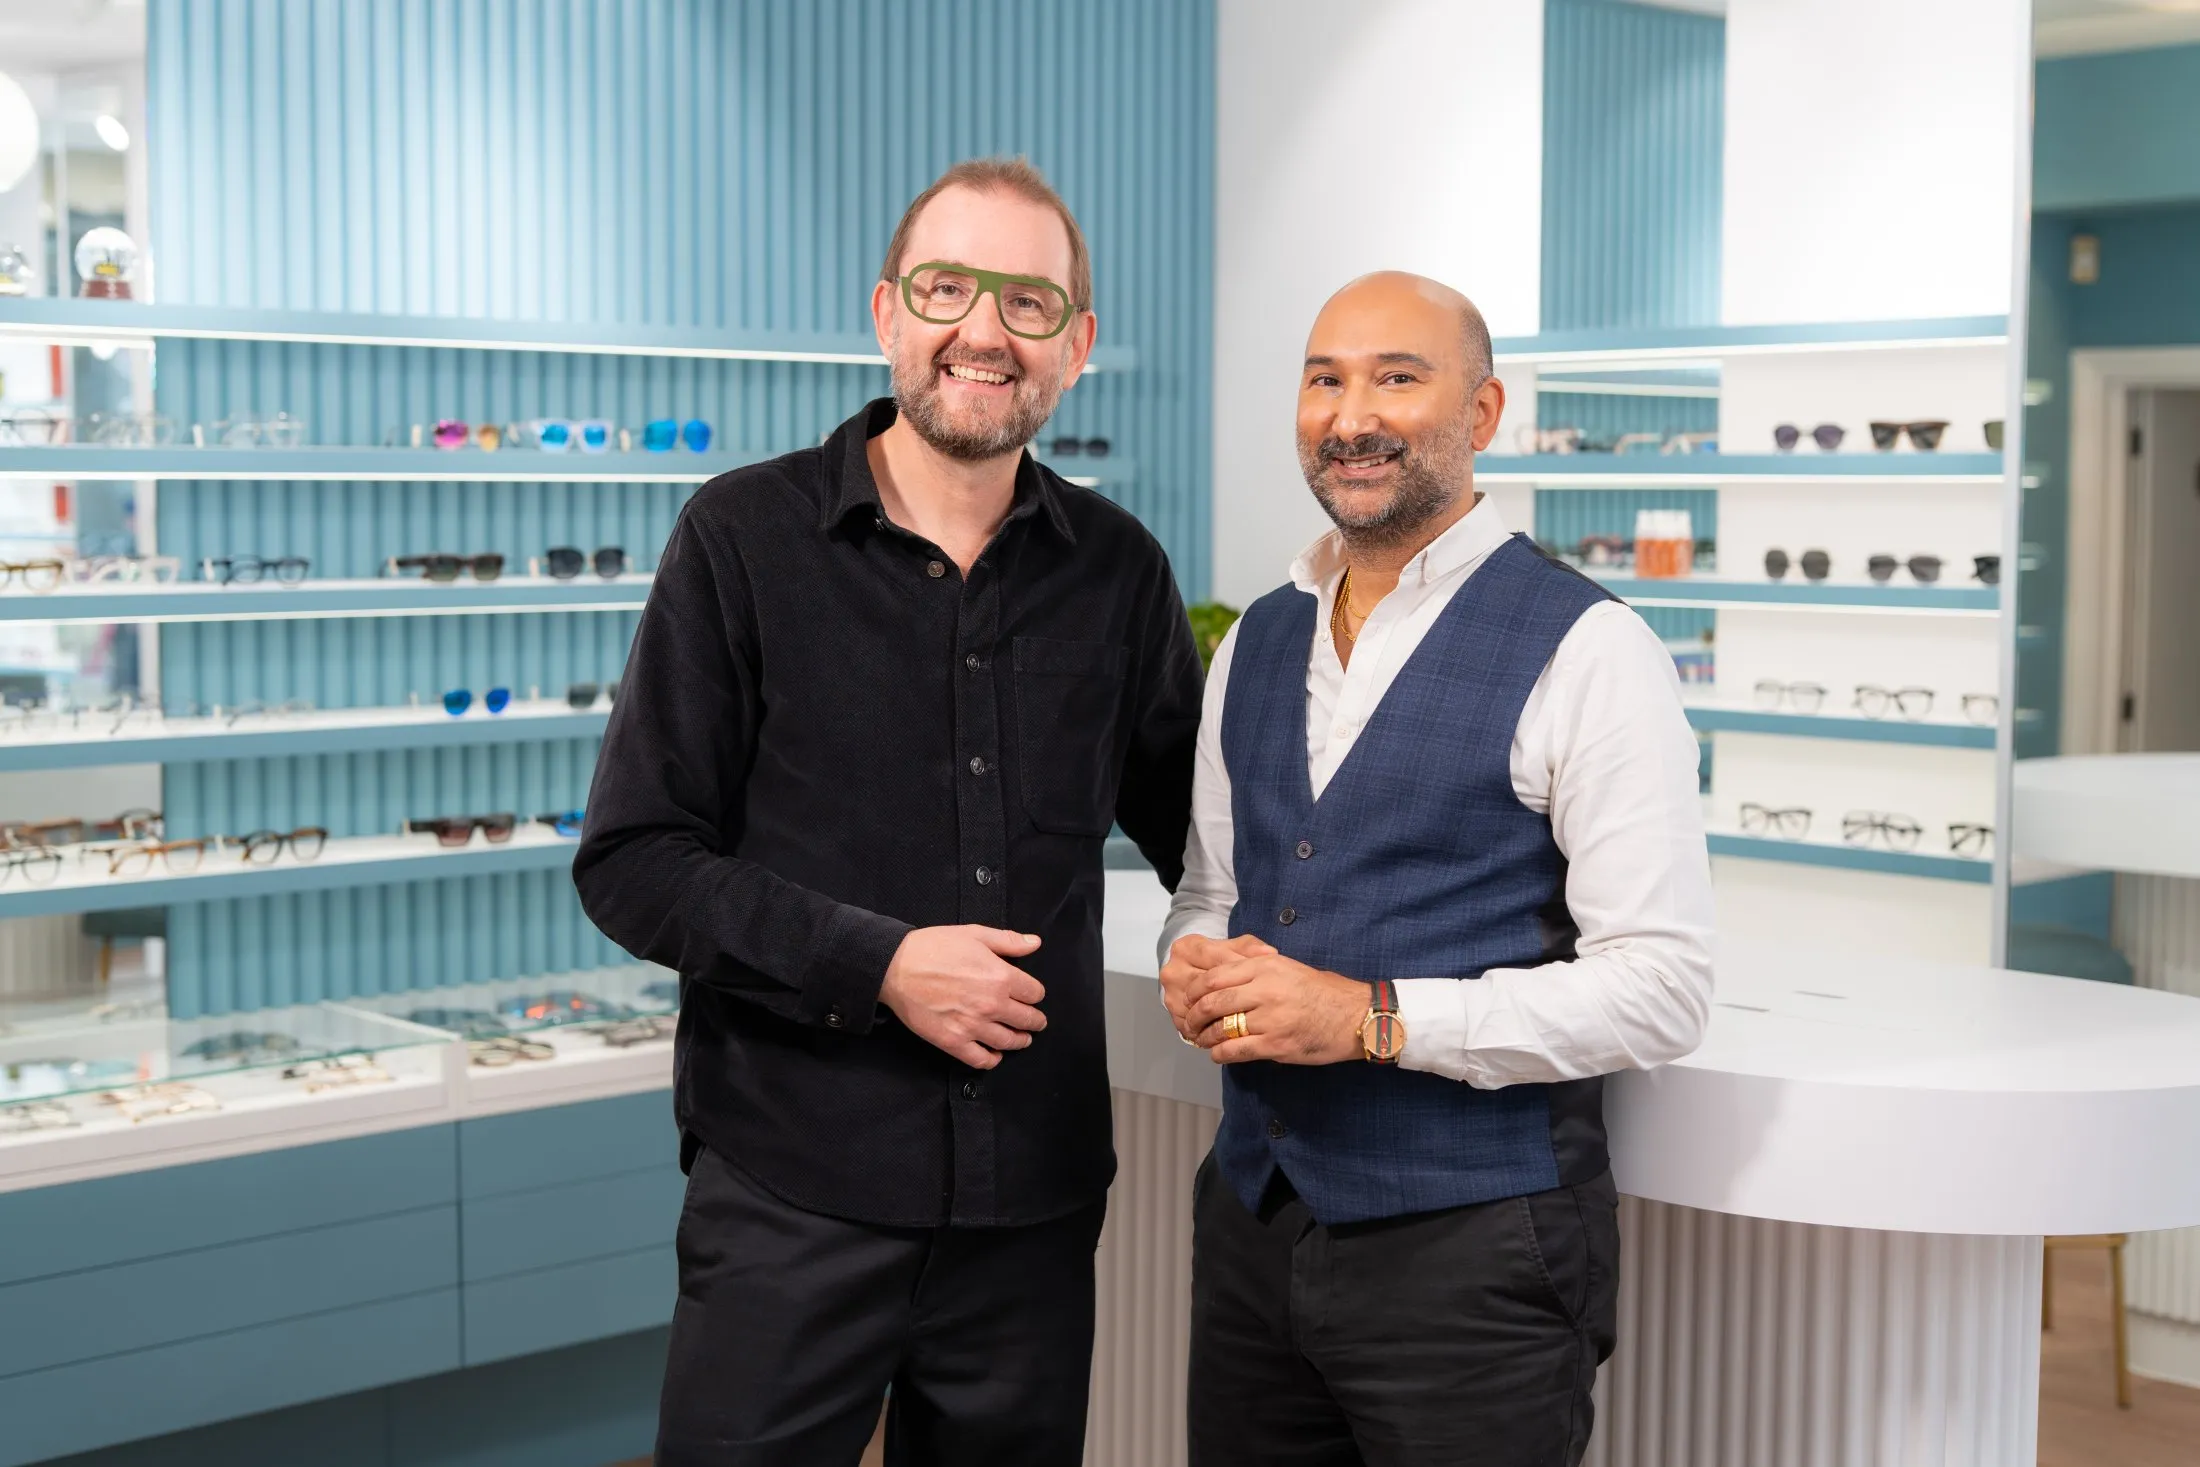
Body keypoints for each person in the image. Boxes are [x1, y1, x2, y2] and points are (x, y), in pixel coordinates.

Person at [575, 157, 1203, 1467]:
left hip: (1028, 1211)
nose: (984, 328)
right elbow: (635, 858)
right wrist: (882, 963)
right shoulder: (742, 538)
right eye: (948, 287)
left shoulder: (1122, 575)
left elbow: (1212, 836)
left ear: (1076, 346)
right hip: (792, 1186)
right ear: (887, 313)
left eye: (1029, 301)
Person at [1159, 271, 1714, 1467]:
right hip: (1253, 1229)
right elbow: (1211, 890)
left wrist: (1371, 1019)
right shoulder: (1254, 639)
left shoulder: (1593, 648)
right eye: (1324, 378)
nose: (1350, 413)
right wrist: (1192, 963)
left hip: (1476, 1260)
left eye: (1397, 377)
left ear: (1484, 412)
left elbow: (1662, 987)